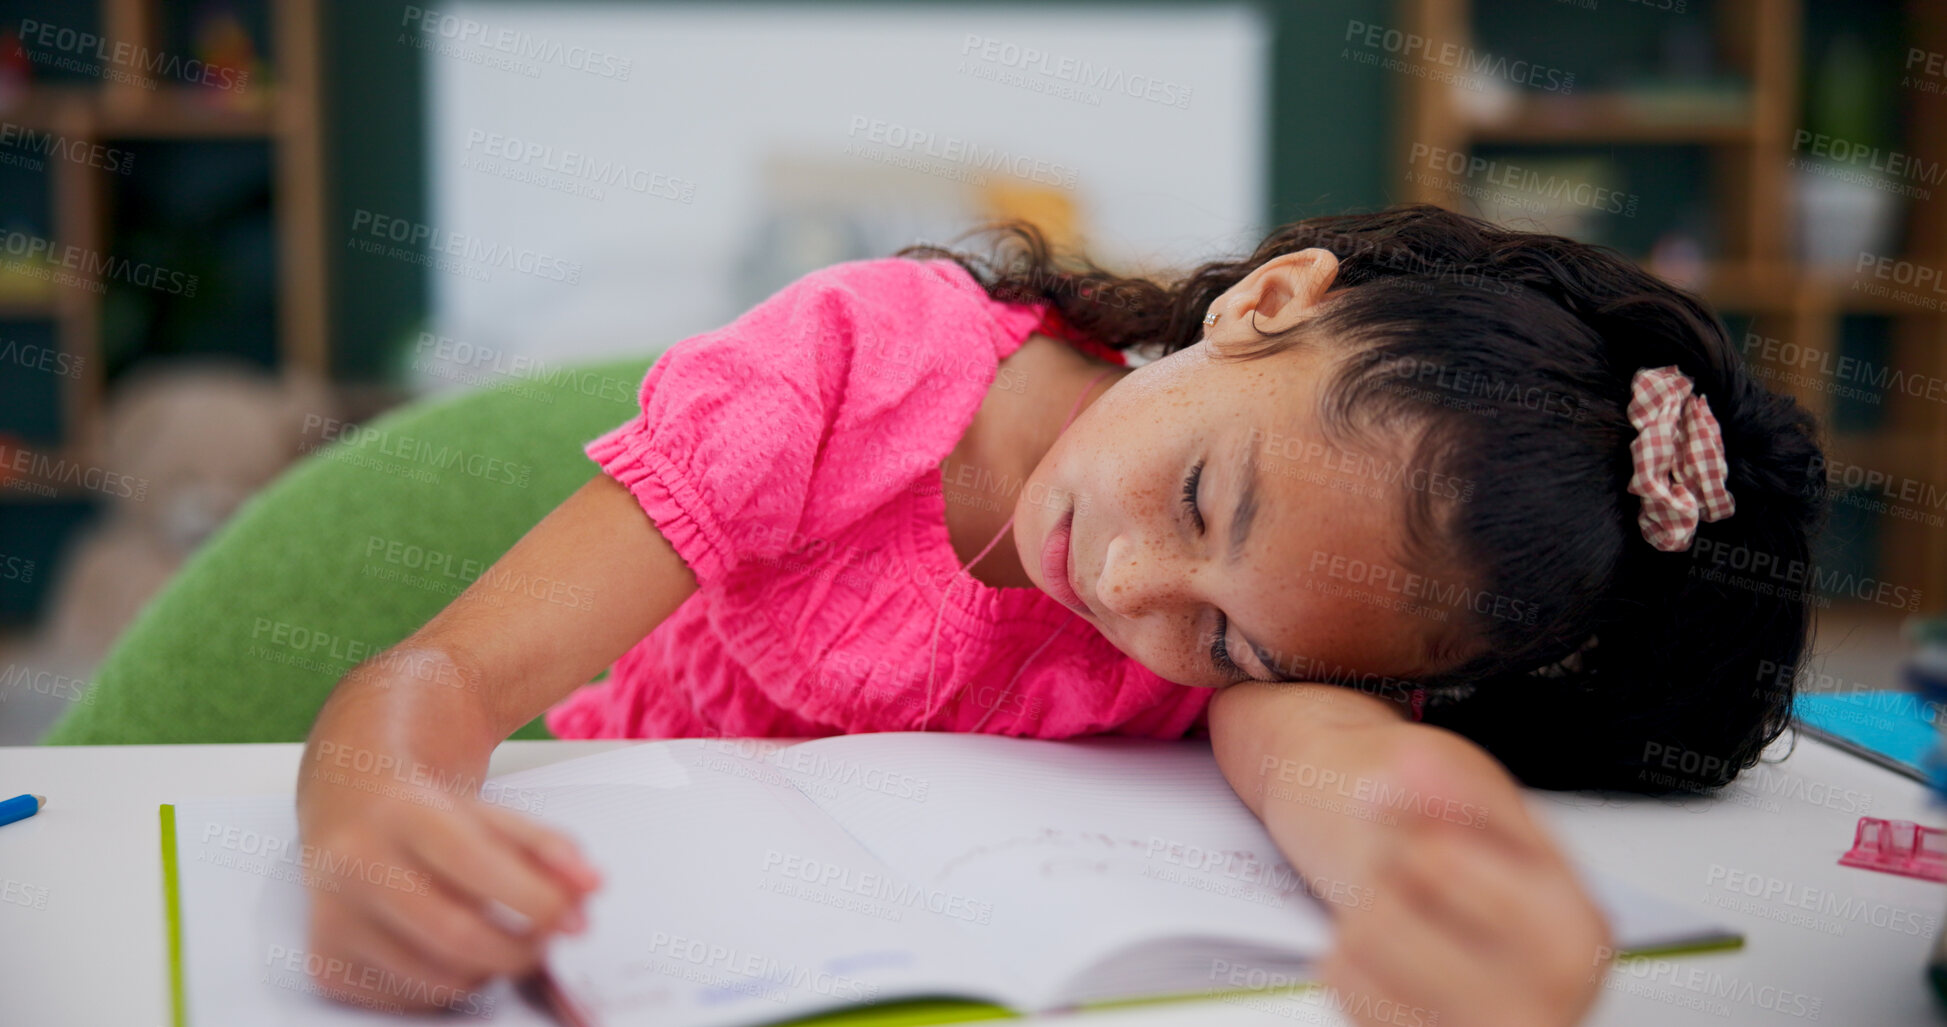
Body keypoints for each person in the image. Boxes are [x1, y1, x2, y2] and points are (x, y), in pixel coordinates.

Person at [295, 204, 1824, 1026]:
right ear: (1266, 305)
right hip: (609, 903)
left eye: (1229, 644)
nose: (1132, 592)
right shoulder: (863, 369)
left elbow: (1352, 772)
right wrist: (373, 827)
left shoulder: (1304, 629)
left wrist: (1454, 870)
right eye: (1206, 499)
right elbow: (444, 673)